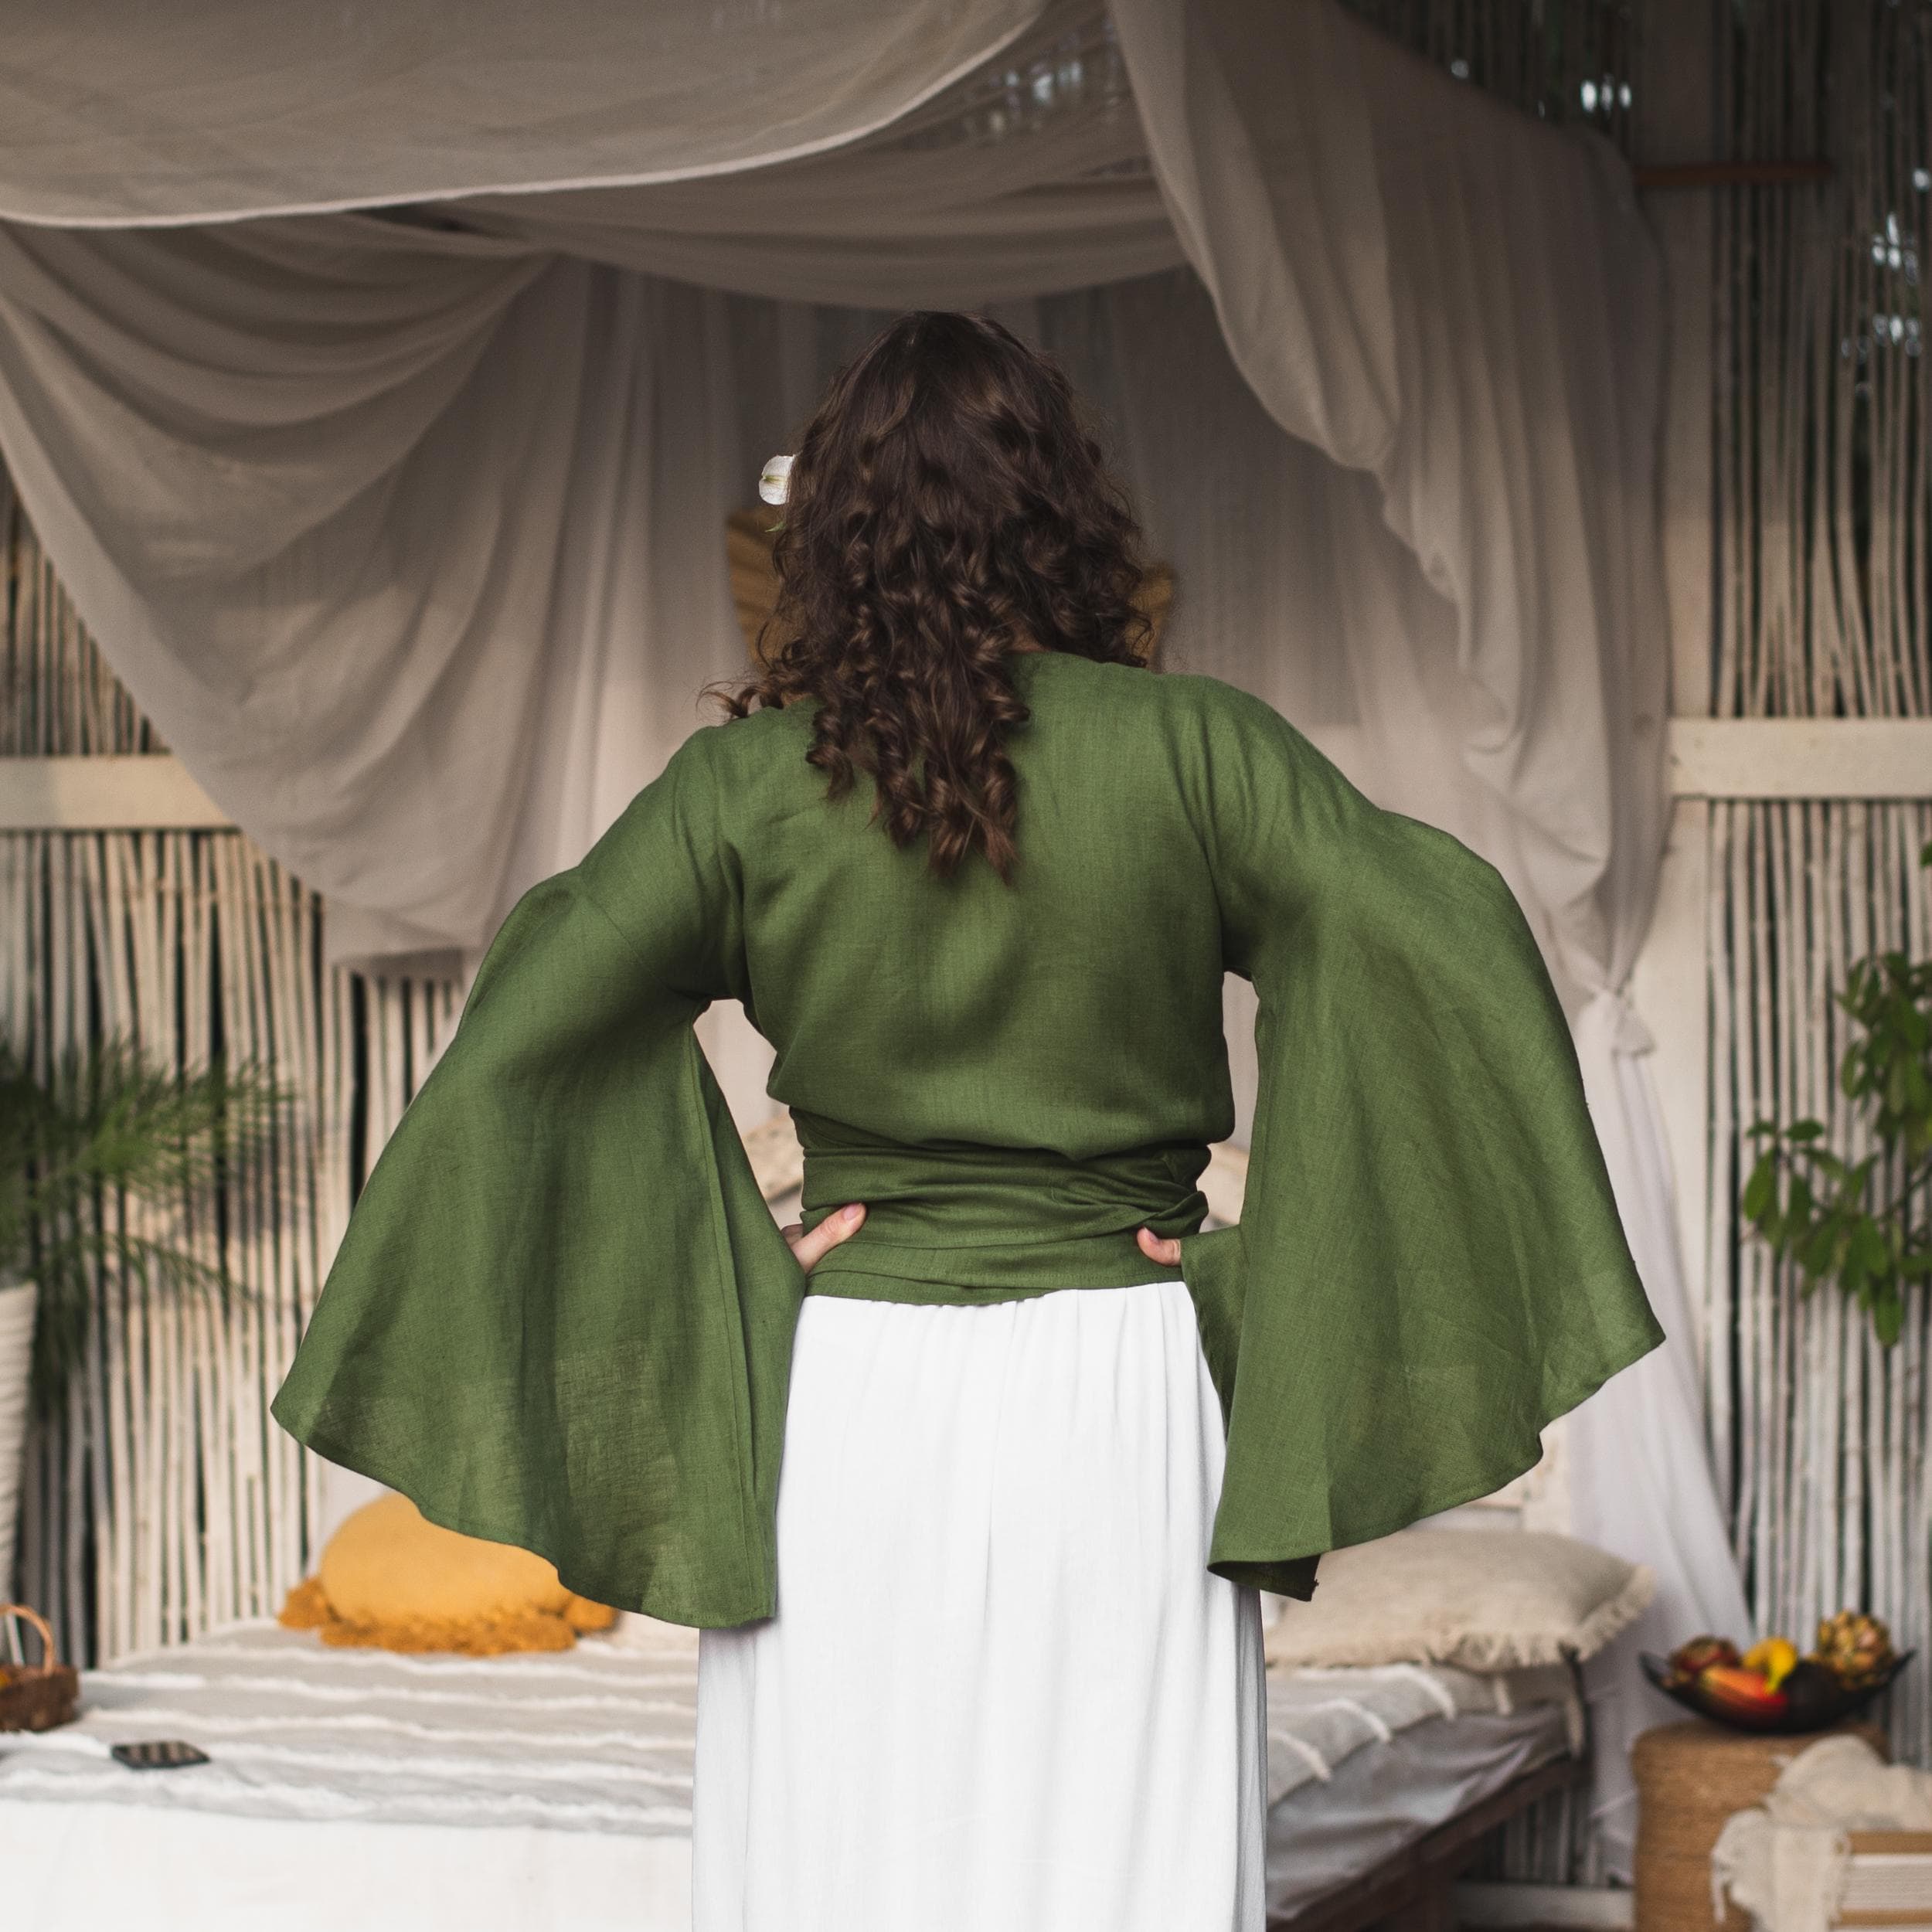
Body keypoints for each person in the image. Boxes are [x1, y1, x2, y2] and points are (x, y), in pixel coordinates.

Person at [272, 311, 1665, 1931]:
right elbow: (1438, 933)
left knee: (847, 1863)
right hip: (1125, 1378)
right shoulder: (1198, 752)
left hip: (849, 1391)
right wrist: (1253, 1265)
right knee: (1119, 1869)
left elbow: (527, 1032)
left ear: (830, 537)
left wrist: (740, 1273)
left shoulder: (745, 788)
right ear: (1064, 508)